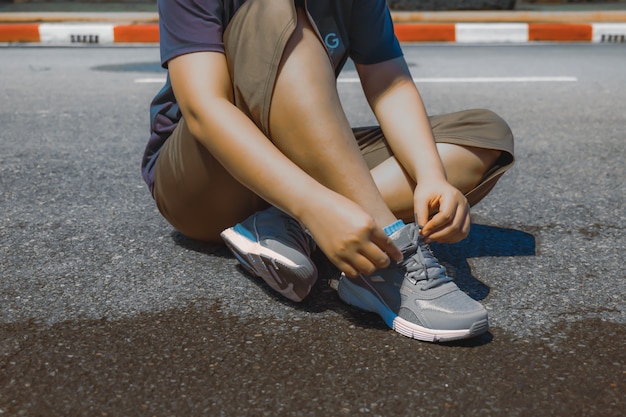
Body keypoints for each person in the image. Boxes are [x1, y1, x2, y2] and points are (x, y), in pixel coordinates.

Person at [141, 0, 515, 342]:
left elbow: (389, 82)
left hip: (293, 151)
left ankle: (288, 225)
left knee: (481, 138)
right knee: (279, 11)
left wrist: (430, 175)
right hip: (204, 181)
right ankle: (387, 256)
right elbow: (204, 110)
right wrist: (314, 205)